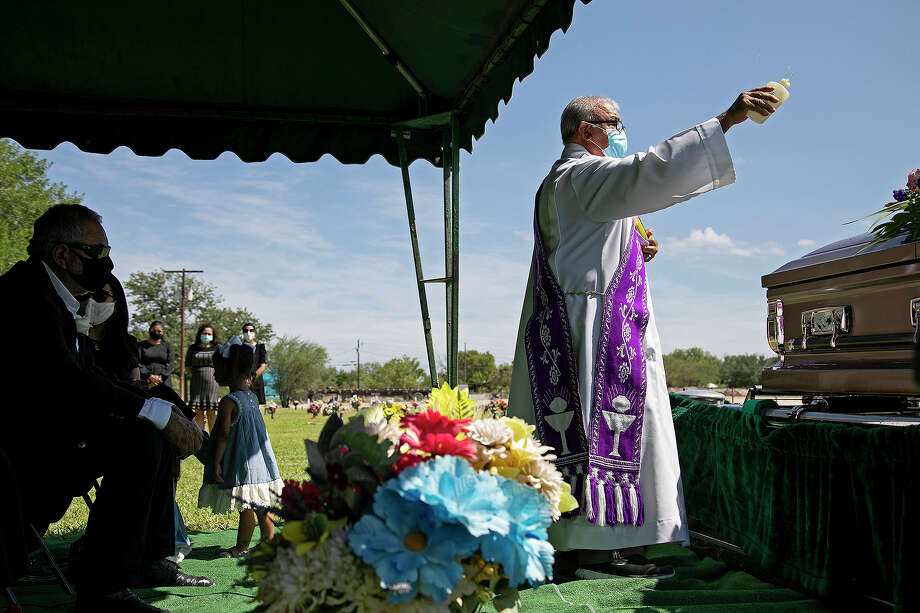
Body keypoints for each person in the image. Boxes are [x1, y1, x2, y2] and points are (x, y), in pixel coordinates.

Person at [508, 88, 777, 579]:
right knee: (600, 427)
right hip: (595, 329)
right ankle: (603, 550)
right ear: (587, 131)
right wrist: (728, 120)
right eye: (613, 122)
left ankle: (578, 543)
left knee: (574, 431)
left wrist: (630, 245)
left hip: (563, 323)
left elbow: (582, 245)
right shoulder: (585, 173)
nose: (620, 130)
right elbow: (646, 170)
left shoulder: (556, 181)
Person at [0, 204, 210, 612]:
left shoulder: (52, 298)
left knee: (150, 428)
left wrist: (161, 409)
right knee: (140, 436)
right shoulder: (25, 296)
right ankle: (105, 590)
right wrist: (156, 413)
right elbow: (68, 381)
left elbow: (89, 376)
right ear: (62, 255)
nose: (106, 263)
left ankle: (146, 559)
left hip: (48, 435)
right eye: (97, 251)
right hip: (21, 451)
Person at [198, 342, 283, 558]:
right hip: (260, 463)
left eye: (217, 368)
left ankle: (242, 546)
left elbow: (224, 436)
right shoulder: (252, 397)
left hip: (242, 463)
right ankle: (269, 542)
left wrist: (216, 462)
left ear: (229, 370)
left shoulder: (229, 401)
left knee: (247, 505)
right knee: (260, 505)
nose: (214, 373)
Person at [185, 323, 220, 432]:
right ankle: (200, 440)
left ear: (213, 335)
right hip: (196, 383)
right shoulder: (193, 348)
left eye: (209, 334)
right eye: (204, 333)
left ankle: (213, 441)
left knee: (211, 412)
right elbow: (187, 366)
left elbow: (222, 365)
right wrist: (198, 374)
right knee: (198, 412)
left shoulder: (217, 348)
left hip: (212, 384)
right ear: (200, 334)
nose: (206, 335)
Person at [139, 320, 175, 390]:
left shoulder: (168, 346)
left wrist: (160, 377)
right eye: (154, 330)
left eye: (159, 331)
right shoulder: (141, 345)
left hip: (164, 381)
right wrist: (150, 376)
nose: (156, 333)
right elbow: (138, 363)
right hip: (146, 381)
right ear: (150, 330)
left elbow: (171, 363)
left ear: (163, 332)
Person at [240, 322, 267, 404]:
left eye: (251, 330)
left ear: (254, 332)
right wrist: (243, 379)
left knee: (256, 410)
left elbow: (262, 366)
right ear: (243, 333)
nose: (248, 333)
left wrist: (251, 378)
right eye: (246, 330)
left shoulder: (260, 347)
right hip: (241, 383)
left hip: (256, 382)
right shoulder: (238, 348)